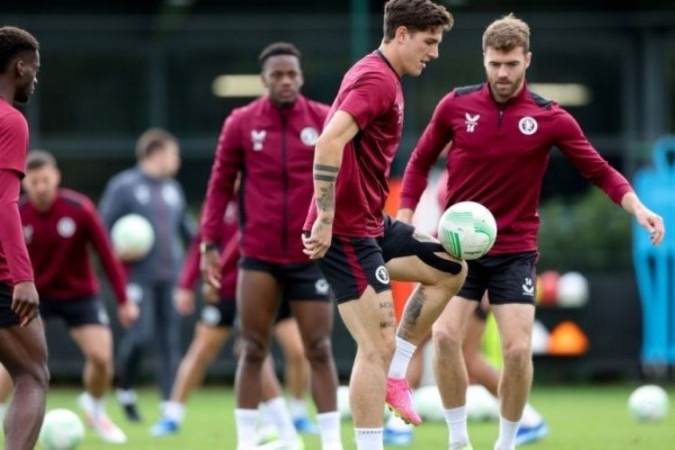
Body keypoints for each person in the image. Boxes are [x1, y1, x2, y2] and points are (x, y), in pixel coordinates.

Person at [397, 13, 665, 450]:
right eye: (495, 64)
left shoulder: (550, 118)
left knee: (518, 353)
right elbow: (419, 161)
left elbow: (600, 170)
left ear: (527, 61)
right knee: (445, 339)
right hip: (456, 251)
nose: (503, 74)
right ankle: (458, 440)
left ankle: (505, 443)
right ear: (484, 60)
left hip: (514, 252)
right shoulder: (455, 106)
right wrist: (406, 218)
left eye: (512, 65)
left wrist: (638, 208)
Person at [302, 1, 465, 449]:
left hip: (372, 224)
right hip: (346, 232)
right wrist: (326, 218)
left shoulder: (385, 77)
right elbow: (328, 141)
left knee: (452, 268)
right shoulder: (375, 79)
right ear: (401, 34)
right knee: (375, 344)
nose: (433, 53)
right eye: (428, 42)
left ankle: (397, 377)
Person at [200, 42, 341, 450]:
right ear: (263, 79)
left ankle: (331, 443)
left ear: (301, 77)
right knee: (252, 347)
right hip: (258, 257)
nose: (284, 81)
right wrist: (210, 241)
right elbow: (220, 185)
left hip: (309, 255)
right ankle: (247, 442)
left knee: (318, 347)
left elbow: (342, 178)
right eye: (276, 75)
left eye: (291, 74)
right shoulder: (241, 122)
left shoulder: (323, 120)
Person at [1, 149, 138, 443]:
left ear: (56, 177)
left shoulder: (80, 208)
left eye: (45, 180)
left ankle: (95, 409)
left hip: (79, 294)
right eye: (34, 181)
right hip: (32, 294)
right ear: (24, 183)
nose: (40, 187)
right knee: (12, 365)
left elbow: (107, 255)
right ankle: (5, 412)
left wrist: (124, 299)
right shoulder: (16, 213)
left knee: (102, 357)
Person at [150, 201, 318, 440]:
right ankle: (172, 416)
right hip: (225, 290)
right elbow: (200, 244)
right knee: (203, 351)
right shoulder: (219, 203)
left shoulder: (267, 196)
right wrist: (186, 286)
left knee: (296, 351)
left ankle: (295, 415)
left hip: (268, 288)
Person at [99, 127, 195, 422]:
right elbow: (101, 230)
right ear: (156, 153)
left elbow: (189, 233)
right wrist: (119, 250)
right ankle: (125, 388)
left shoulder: (172, 189)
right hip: (138, 277)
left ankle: (169, 405)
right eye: (173, 154)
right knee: (141, 336)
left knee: (169, 342)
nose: (176, 161)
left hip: (171, 277)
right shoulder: (124, 185)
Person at [0, 25, 50, 450]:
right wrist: (23, 276)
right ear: (19, 67)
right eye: (34, 70)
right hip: (2, 275)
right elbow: (5, 203)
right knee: (32, 375)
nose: (35, 78)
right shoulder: (10, 120)